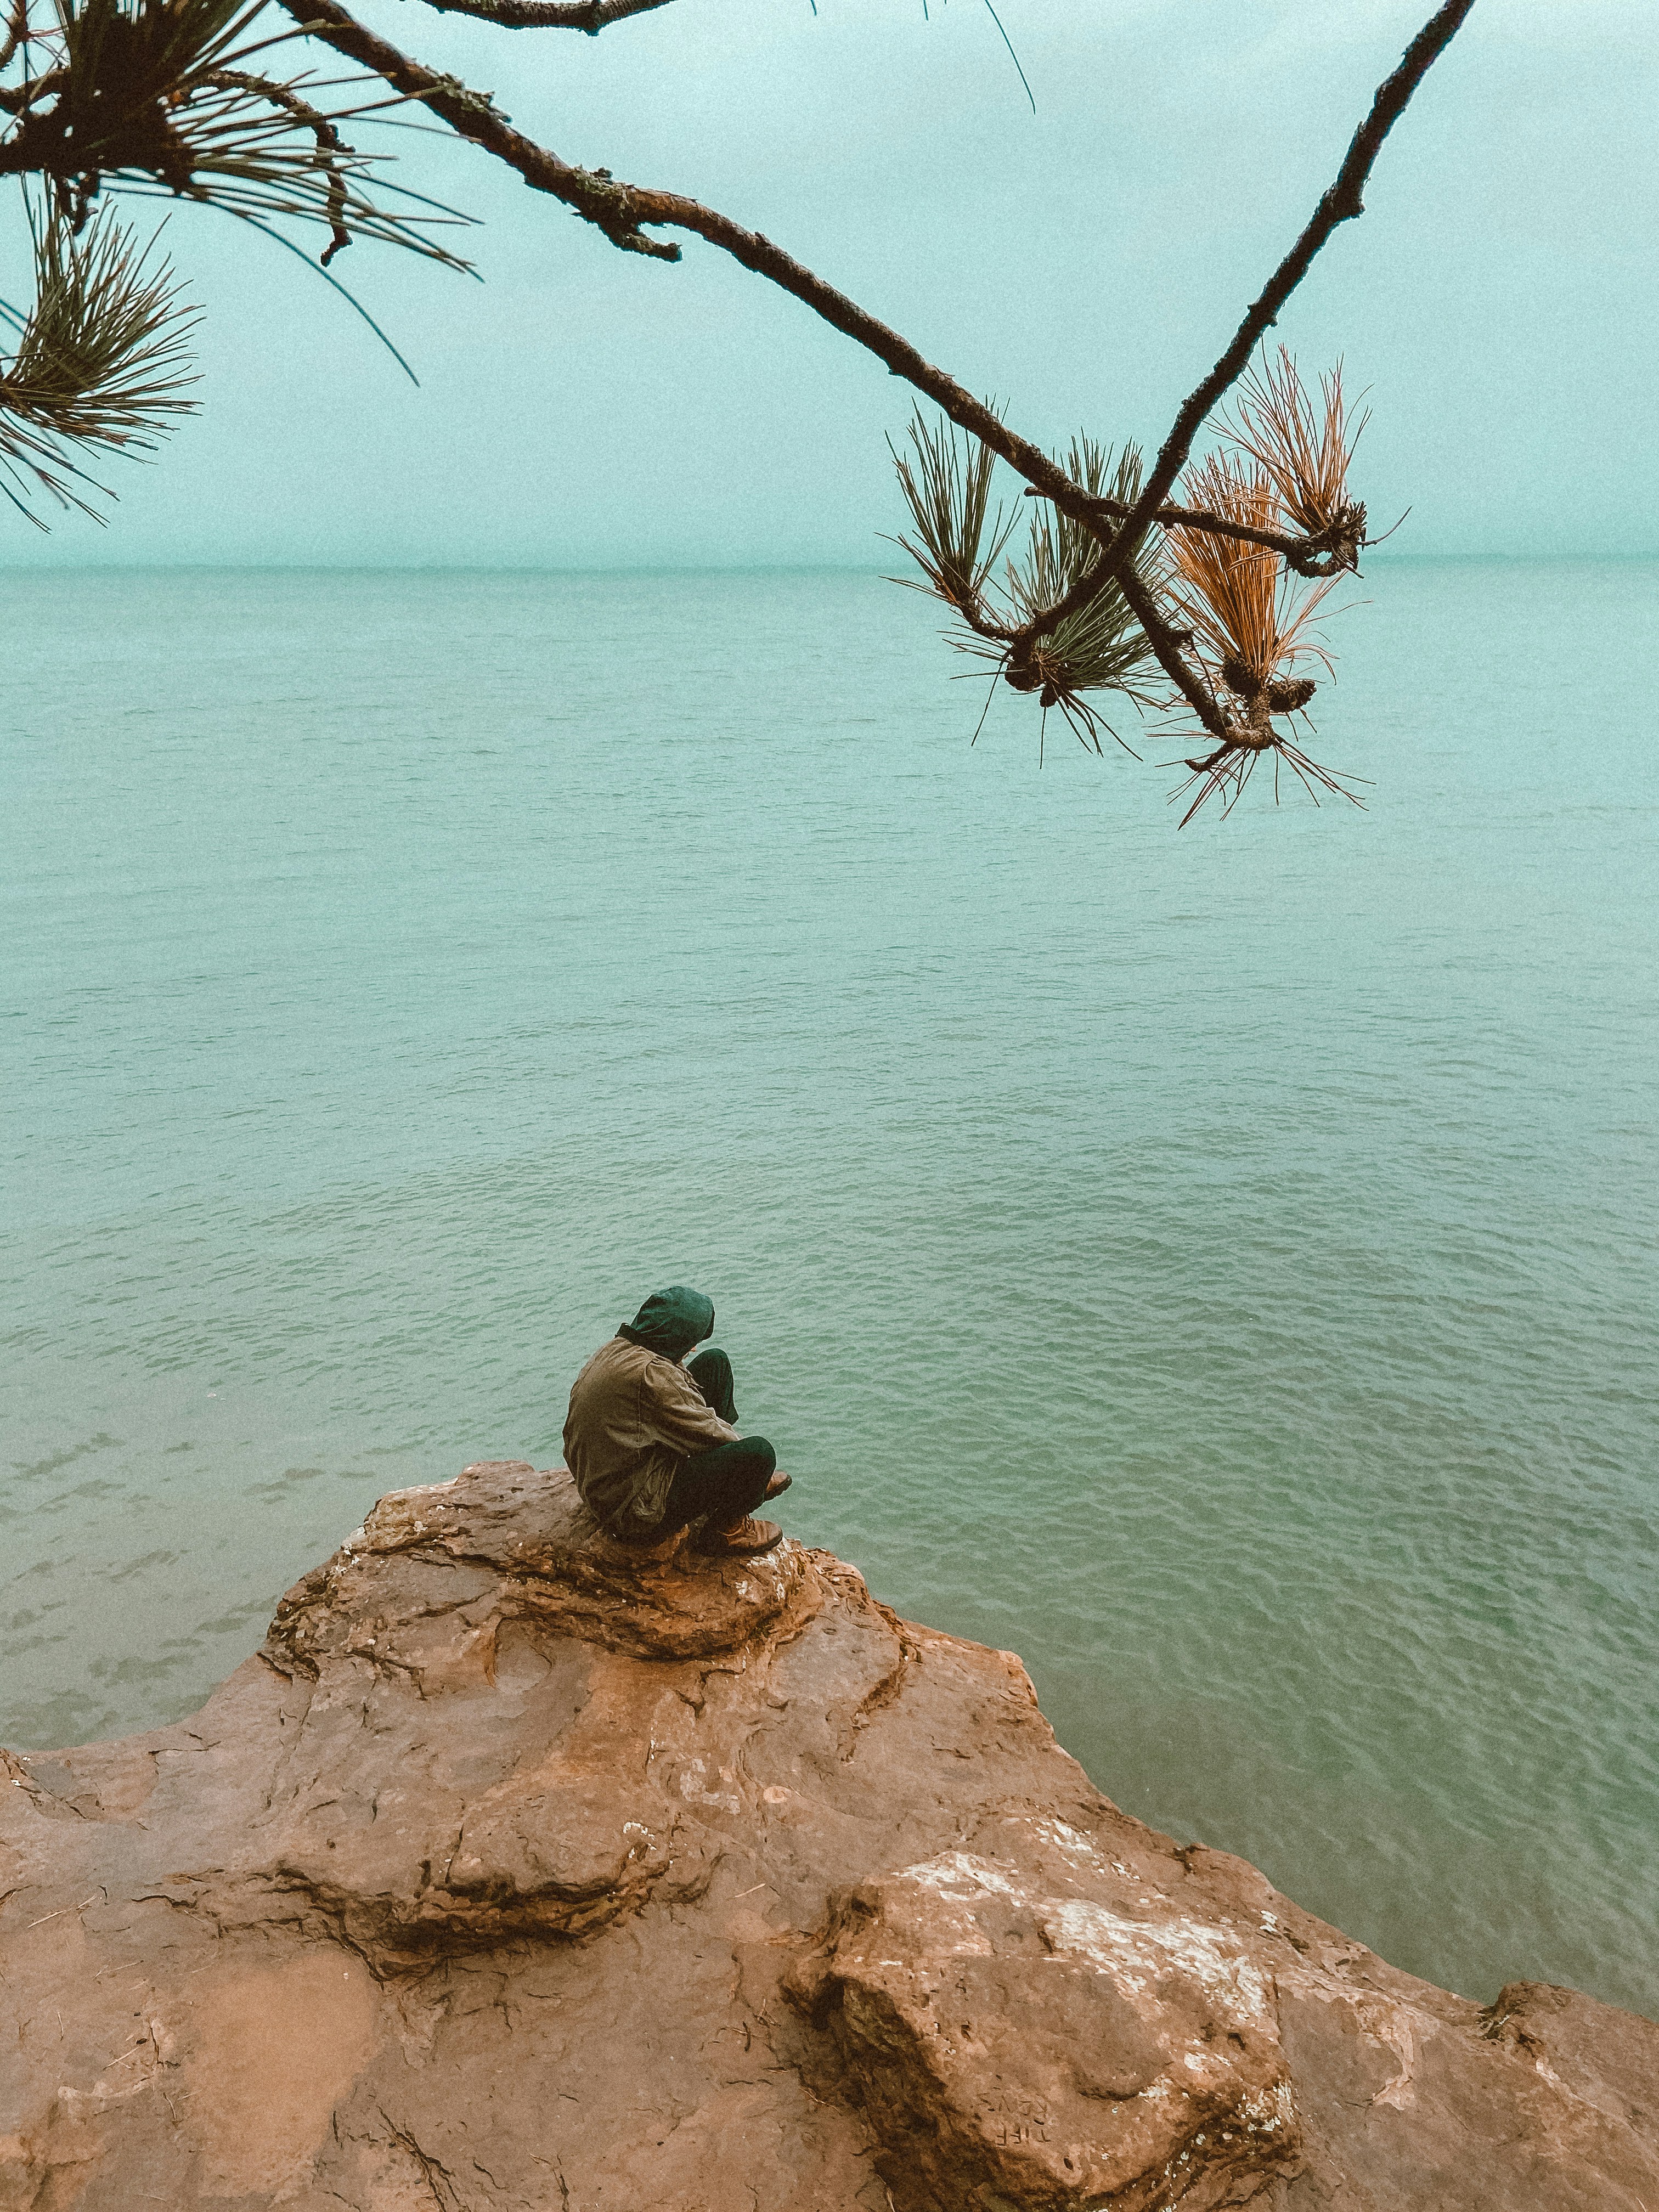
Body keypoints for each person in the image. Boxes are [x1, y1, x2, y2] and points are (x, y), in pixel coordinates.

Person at [563, 1286, 791, 1556]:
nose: (694, 1347)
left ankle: (737, 1483)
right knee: (759, 1454)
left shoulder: (622, 1347)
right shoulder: (652, 1377)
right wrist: (751, 1473)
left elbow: (673, 1394)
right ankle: (726, 1532)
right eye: (690, 1339)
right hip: (633, 1511)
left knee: (715, 1363)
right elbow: (707, 1429)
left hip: (613, 1480)